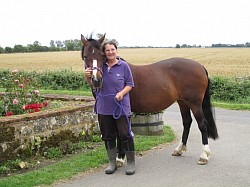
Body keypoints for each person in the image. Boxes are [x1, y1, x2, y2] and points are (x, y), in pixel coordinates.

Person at [84, 41, 135, 175]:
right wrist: (87, 77)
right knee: (108, 135)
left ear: (116, 51)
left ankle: (131, 163)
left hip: (121, 107)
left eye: (113, 49)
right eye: (107, 50)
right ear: (104, 53)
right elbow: (95, 85)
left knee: (125, 134)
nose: (110, 52)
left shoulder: (123, 66)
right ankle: (112, 163)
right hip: (104, 107)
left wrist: (122, 93)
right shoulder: (100, 67)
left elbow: (130, 84)